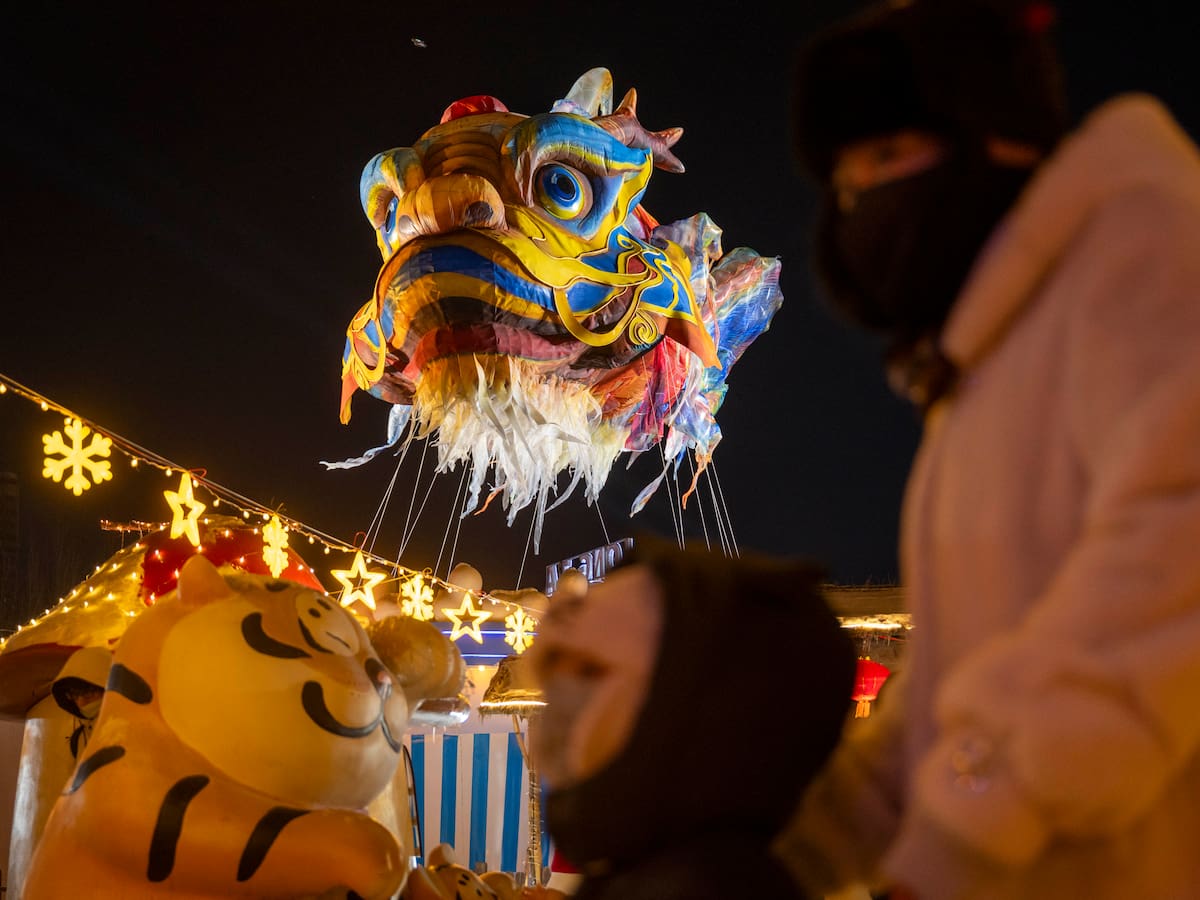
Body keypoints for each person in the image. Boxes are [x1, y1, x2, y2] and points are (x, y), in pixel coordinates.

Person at [773, 0, 1200, 897]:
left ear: (997, 140)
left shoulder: (1147, 248)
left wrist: (969, 826)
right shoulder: (986, 366)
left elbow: (1168, 572)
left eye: (889, 155)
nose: (861, 201)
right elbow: (951, 679)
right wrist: (803, 852)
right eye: (846, 179)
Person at [525, 536, 857, 900]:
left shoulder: (702, 886)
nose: (563, 700)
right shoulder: (645, 865)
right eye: (557, 673)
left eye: (591, 672)